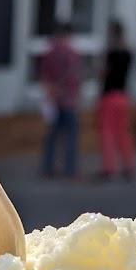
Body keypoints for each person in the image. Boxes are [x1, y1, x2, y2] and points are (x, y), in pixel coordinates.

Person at [39, 21, 83, 179]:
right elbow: (76, 78)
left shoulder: (50, 53)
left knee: (52, 136)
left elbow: (44, 76)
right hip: (69, 100)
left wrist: (50, 93)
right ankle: (70, 170)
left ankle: (48, 168)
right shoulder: (73, 54)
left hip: (54, 98)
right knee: (71, 137)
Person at [96, 19, 135, 182]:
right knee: (123, 133)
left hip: (109, 96)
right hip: (123, 96)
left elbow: (103, 73)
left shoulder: (110, 53)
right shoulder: (128, 53)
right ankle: (128, 166)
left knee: (108, 133)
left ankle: (110, 168)